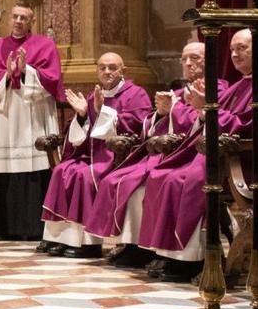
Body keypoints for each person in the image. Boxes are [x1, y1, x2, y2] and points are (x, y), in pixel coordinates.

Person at [138, 29, 258, 282]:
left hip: (247, 163)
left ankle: (191, 260)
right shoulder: (246, 82)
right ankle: (172, 255)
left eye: (242, 48)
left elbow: (247, 129)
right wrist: (203, 111)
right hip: (224, 154)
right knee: (162, 174)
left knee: (181, 180)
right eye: (232, 49)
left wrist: (204, 110)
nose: (234, 54)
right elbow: (223, 119)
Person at [83, 42, 222, 269]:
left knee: (163, 182)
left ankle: (177, 255)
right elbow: (147, 126)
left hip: (194, 157)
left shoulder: (219, 89)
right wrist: (159, 114)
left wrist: (184, 109)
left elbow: (208, 126)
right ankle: (134, 245)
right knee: (117, 180)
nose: (188, 63)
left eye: (195, 58)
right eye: (184, 59)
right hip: (167, 154)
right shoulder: (176, 93)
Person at [39, 52, 152, 259]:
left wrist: (103, 112)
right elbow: (83, 135)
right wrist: (82, 116)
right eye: (102, 67)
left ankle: (88, 243)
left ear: (123, 71)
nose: (107, 72)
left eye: (112, 67)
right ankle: (63, 238)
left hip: (118, 159)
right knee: (63, 171)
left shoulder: (136, 94)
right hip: (91, 155)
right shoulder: (93, 96)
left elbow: (138, 126)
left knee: (84, 176)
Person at [0, 3, 62, 241]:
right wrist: (7, 74)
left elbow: (52, 78)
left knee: (34, 163)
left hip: (32, 111)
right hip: (7, 110)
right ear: (9, 19)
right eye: (14, 16)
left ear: (31, 22)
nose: (18, 21)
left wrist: (27, 72)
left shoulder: (45, 46)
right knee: (7, 165)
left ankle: (35, 227)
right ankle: (3, 227)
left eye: (23, 17)